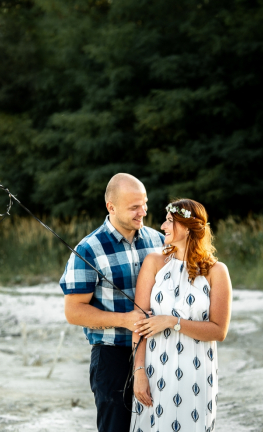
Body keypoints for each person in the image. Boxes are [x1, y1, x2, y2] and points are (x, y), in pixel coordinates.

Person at [60, 173, 165, 432]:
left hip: (158, 350)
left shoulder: (159, 241)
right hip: (112, 355)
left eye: (144, 204)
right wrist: (124, 320)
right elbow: (73, 312)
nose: (143, 212)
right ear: (111, 207)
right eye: (134, 207)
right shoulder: (87, 250)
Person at [130, 199, 232, 432]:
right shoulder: (154, 263)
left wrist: (172, 322)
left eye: (169, 221)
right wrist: (139, 372)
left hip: (196, 374)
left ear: (187, 228)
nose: (163, 226)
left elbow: (219, 331)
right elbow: (139, 321)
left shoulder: (217, 272)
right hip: (155, 370)